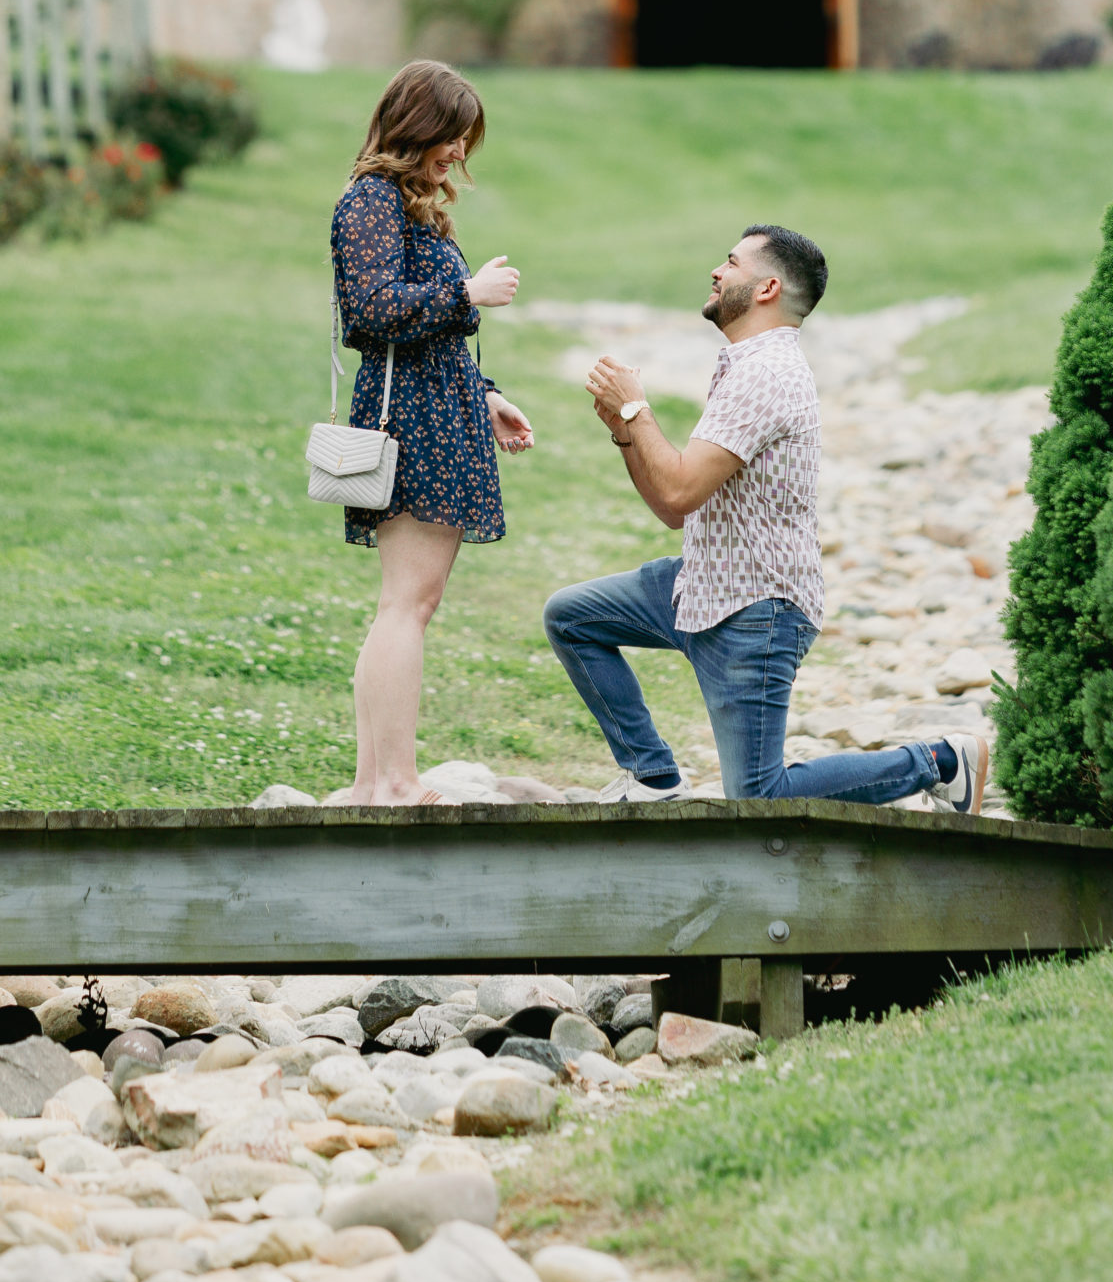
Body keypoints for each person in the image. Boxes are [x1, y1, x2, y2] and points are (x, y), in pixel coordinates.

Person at [543, 225, 987, 812]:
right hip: (698, 585)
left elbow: (675, 493)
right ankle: (651, 775)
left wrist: (636, 405)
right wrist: (626, 433)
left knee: (758, 794)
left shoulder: (766, 374)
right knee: (573, 618)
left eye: (730, 262)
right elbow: (675, 511)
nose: (716, 271)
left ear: (767, 287)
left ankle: (941, 762)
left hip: (756, 611)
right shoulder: (744, 365)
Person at [331, 61, 534, 804]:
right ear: (415, 125)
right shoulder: (370, 201)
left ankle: (372, 781)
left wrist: (485, 397)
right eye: (449, 134)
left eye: (463, 138)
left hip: (442, 410)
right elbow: (371, 312)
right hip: (410, 420)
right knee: (404, 603)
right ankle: (391, 781)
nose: (457, 150)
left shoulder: (406, 206)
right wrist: (467, 291)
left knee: (411, 602)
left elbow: (425, 334)